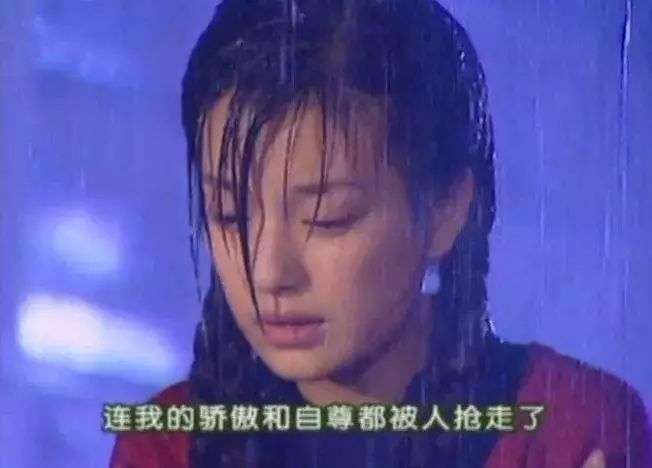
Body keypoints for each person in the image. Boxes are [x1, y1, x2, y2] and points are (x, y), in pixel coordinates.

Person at [110, 0, 651, 466]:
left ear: (446, 210)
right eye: (230, 214)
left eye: (328, 218)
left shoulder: (568, 427)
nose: (269, 272)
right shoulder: (167, 444)